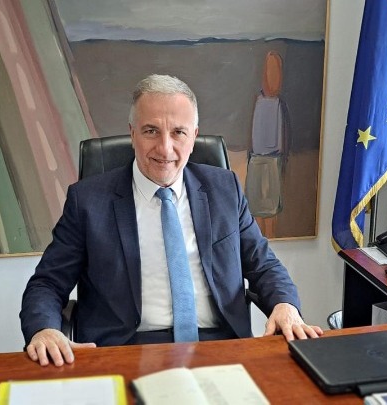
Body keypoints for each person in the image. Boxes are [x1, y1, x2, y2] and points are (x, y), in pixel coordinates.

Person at [20, 74, 322, 367]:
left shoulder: (224, 189)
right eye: (151, 131)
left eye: (178, 132)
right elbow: (47, 283)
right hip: (124, 350)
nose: (165, 149)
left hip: (221, 348)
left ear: (194, 136)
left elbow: (263, 264)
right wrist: (45, 329)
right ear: (132, 133)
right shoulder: (88, 201)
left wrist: (285, 305)